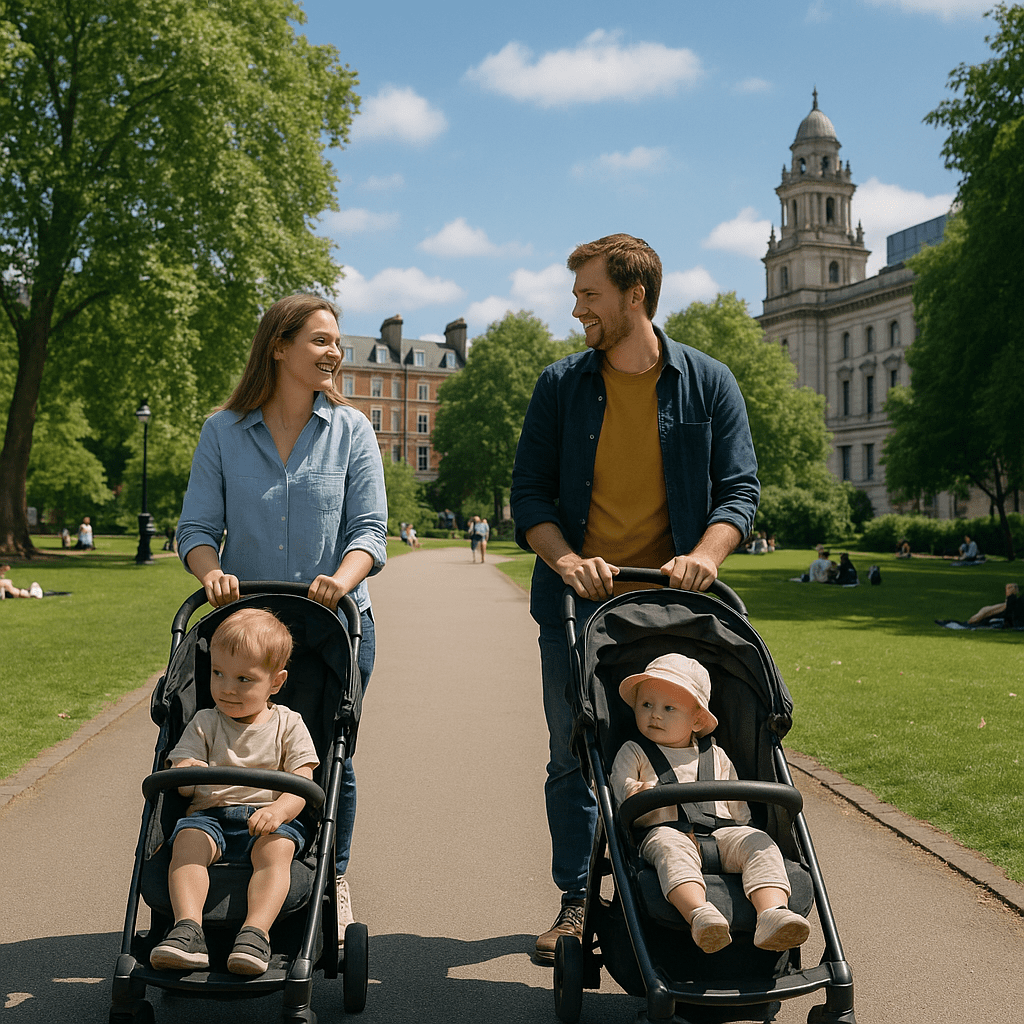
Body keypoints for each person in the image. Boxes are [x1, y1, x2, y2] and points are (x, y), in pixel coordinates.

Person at [510, 233, 759, 962]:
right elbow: (529, 496)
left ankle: (707, 876)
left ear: (634, 296)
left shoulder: (708, 383)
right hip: (578, 603)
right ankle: (576, 901)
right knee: (575, 750)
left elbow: (738, 492)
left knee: (685, 744)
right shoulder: (561, 386)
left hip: (679, 608)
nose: (577, 307)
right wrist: (568, 561)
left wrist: (703, 556)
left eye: (589, 293)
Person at [175, 293, 388, 941]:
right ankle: (219, 859)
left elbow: (370, 532)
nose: (334, 353)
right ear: (279, 346)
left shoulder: (352, 430)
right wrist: (210, 571)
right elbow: (196, 528)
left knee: (328, 754)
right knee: (232, 744)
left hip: (335, 623)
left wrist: (340, 581)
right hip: (248, 628)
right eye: (321, 340)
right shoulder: (223, 431)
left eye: (337, 342)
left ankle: (331, 874)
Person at [150, 608, 319, 976]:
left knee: (277, 850)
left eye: (244, 679)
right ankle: (187, 930)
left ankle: (255, 934)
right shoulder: (205, 722)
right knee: (187, 842)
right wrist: (185, 772)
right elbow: (184, 777)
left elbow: (303, 782)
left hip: (269, 819)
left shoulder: (289, 724)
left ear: (275, 682)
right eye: (218, 673)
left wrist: (279, 811)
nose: (227, 687)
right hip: (210, 817)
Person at [610, 654, 809, 954]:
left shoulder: (716, 755)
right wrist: (640, 791)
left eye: (669, 708)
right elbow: (621, 793)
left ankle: (771, 913)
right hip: (666, 831)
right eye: (646, 705)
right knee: (670, 850)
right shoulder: (635, 752)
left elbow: (737, 807)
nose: (655, 715)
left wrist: (747, 833)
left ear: (697, 720)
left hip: (722, 832)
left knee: (759, 842)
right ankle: (699, 914)